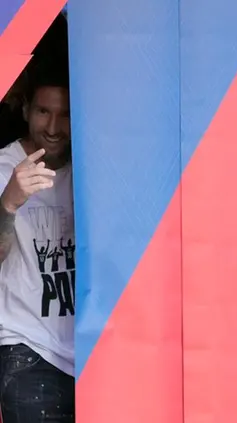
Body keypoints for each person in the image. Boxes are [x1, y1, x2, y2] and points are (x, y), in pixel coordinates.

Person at [0, 62, 74, 422]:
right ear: (27, 109)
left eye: (65, 115)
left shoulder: (96, 165)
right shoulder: (2, 169)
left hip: (99, 351)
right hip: (29, 352)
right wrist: (8, 202)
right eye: (44, 111)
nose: (54, 128)